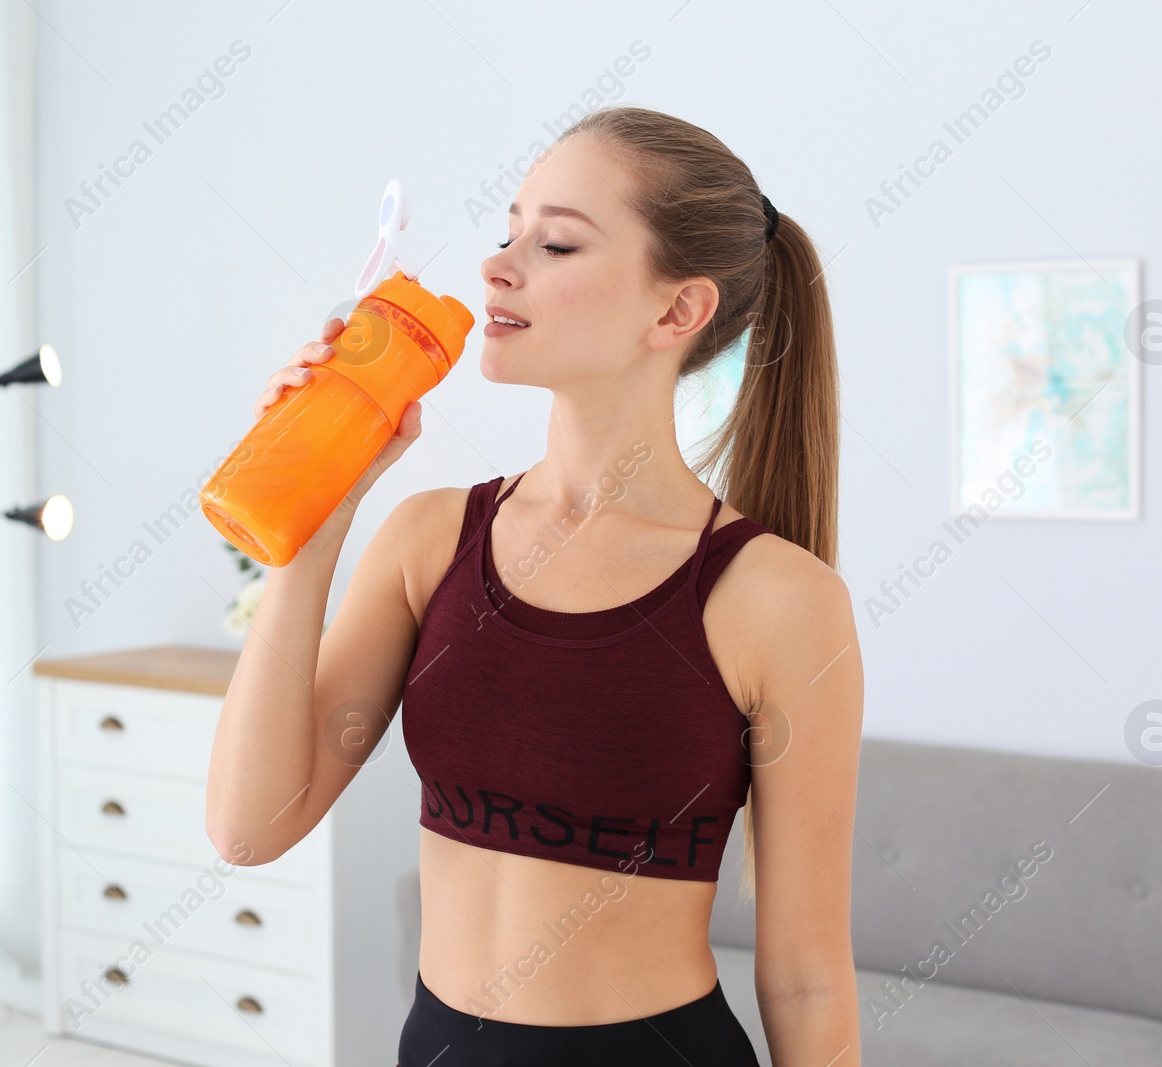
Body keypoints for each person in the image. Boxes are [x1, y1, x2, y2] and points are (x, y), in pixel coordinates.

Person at [205, 104, 864, 1067]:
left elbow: (805, 977)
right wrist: (312, 521)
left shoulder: (776, 599)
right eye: (508, 231)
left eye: (556, 243)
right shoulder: (430, 539)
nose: (498, 265)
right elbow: (248, 828)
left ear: (677, 310)